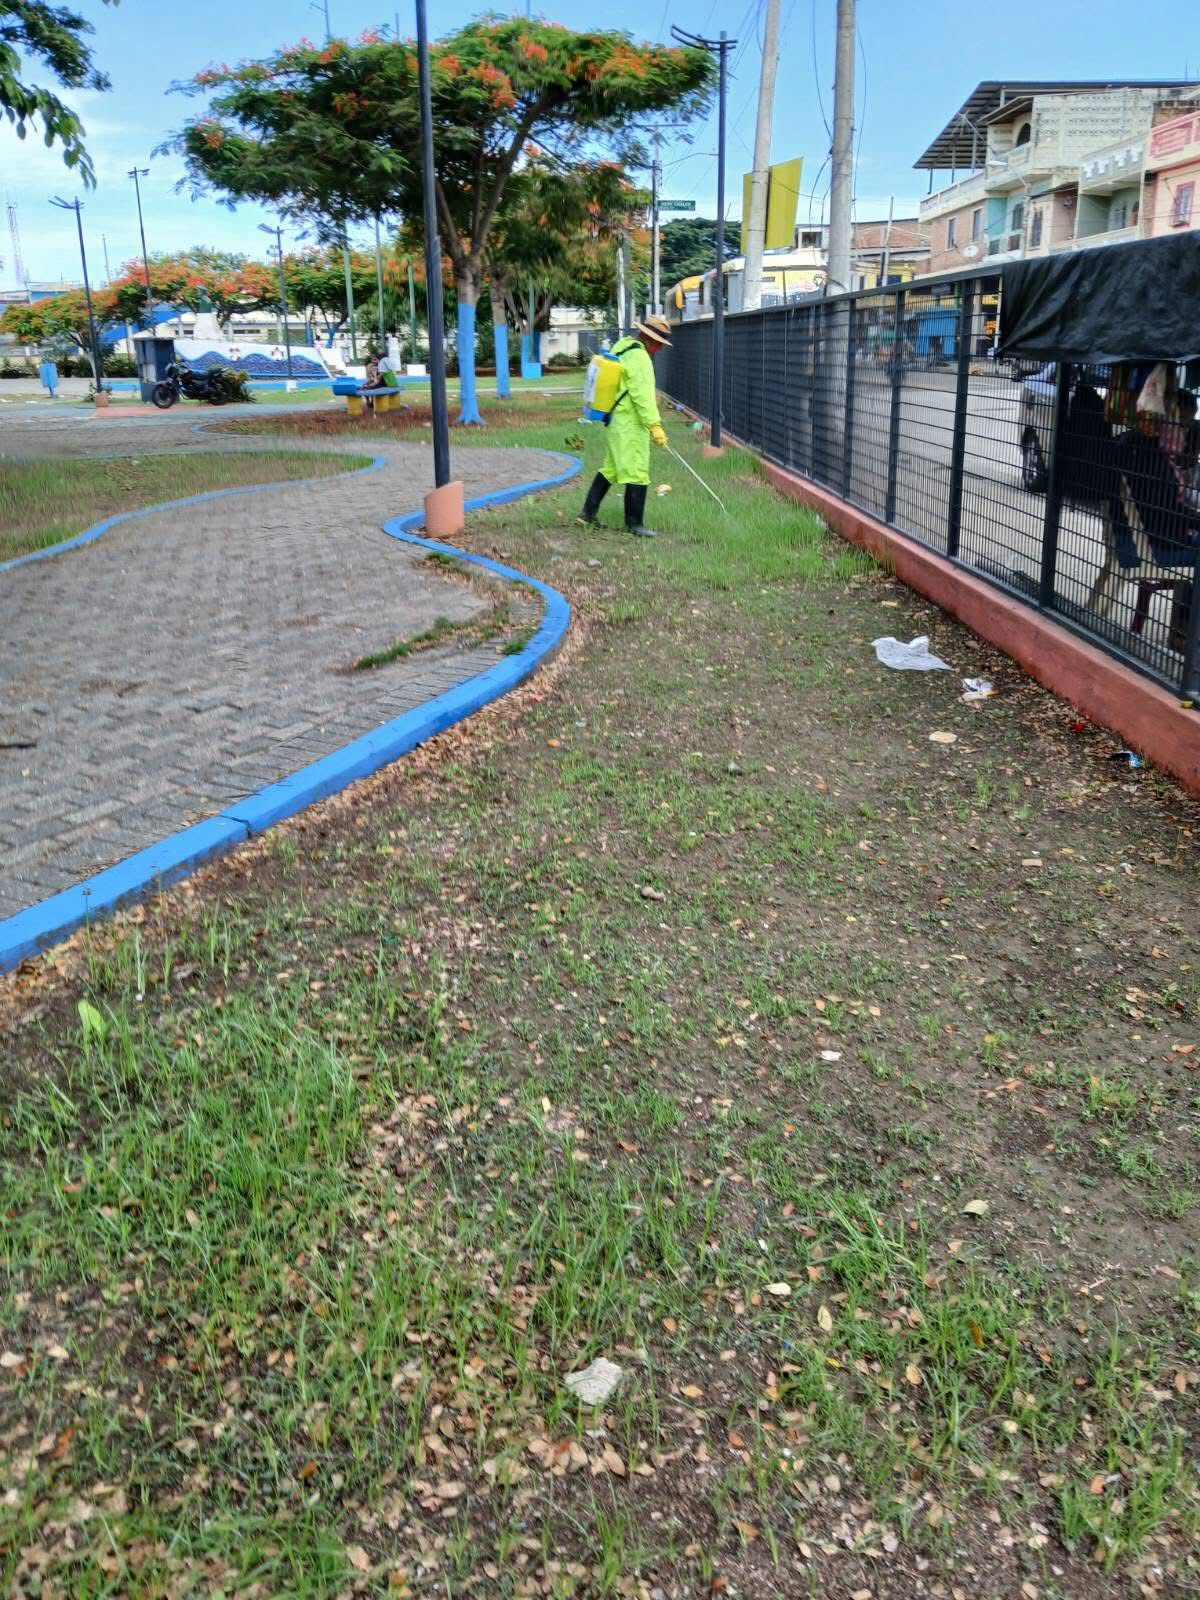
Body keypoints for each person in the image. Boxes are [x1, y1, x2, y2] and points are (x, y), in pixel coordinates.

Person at [576, 315, 672, 538]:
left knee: (611, 468)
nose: (659, 348)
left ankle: (586, 515)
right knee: (637, 470)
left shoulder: (623, 345)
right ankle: (634, 524)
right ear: (650, 339)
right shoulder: (640, 358)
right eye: (659, 343)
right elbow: (642, 395)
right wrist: (654, 425)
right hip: (630, 423)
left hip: (615, 420)